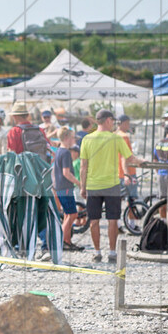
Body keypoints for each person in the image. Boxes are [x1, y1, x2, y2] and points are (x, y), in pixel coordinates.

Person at [79, 109, 132, 263]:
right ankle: (112, 252)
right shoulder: (116, 139)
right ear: (108, 120)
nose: (114, 124)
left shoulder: (87, 139)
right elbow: (129, 157)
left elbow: (83, 166)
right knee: (112, 220)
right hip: (112, 185)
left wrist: (82, 187)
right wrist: (142, 162)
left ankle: (97, 252)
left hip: (93, 185)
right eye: (113, 121)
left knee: (94, 220)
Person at [52, 128, 82, 252]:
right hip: (65, 187)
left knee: (67, 214)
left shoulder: (59, 150)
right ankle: (63, 241)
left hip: (60, 187)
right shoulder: (65, 153)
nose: (74, 140)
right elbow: (66, 173)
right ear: (67, 138)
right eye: (73, 137)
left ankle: (67, 241)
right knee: (72, 214)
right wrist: (79, 183)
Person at [115, 114, 141, 200]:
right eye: (128, 123)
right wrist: (139, 161)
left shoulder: (113, 135)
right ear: (124, 123)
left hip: (116, 173)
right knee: (131, 201)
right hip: (129, 172)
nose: (128, 126)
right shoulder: (124, 137)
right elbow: (126, 157)